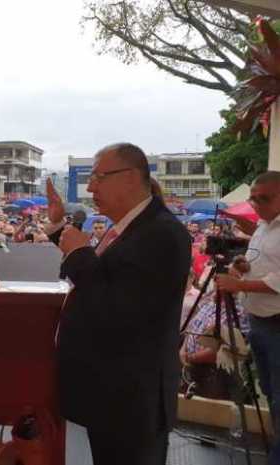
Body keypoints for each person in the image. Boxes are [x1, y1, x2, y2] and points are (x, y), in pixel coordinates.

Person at [45, 143, 191, 465]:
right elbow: (107, 276)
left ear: (130, 178)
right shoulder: (130, 228)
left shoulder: (162, 235)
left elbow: (119, 308)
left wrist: (80, 255)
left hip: (132, 398)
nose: (90, 187)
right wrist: (59, 228)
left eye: (99, 177)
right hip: (113, 393)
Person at [216, 171, 280, 465]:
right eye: (252, 197)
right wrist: (244, 267)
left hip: (276, 324)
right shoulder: (264, 228)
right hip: (259, 321)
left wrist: (238, 285)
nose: (254, 204)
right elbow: (263, 266)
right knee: (268, 391)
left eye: (262, 198)